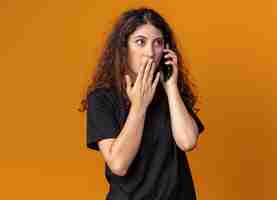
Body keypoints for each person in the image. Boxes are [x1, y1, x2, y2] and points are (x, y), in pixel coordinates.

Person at [79, 7, 205, 200]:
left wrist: (170, 86)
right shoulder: (102, 98)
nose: (150, 52)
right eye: (140, 42)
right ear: (124, 48)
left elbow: (187, 141)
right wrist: (139, 106)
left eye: (158, 43)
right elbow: (119, 164)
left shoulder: (170, 93)